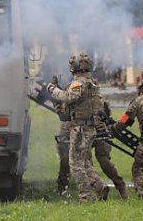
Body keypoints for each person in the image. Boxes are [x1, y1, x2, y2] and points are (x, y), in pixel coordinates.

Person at [46, 52, 109, 202]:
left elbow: (68, 97)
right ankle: (100, 187)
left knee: (75, 164)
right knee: (84, 162)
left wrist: (52, 89)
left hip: (80, 128)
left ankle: (86, 197)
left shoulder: (79, 83)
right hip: (88, 127)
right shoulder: (91, 82)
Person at [54, 98, 129, 199]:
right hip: (98, 130)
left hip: (81, 131)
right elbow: (108, 114)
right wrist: (115, 127)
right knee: (102, 161)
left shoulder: (70, 97)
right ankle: (120, 187)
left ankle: (93, 186)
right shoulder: (97, 98)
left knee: (76, 160)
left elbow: (62, 115)